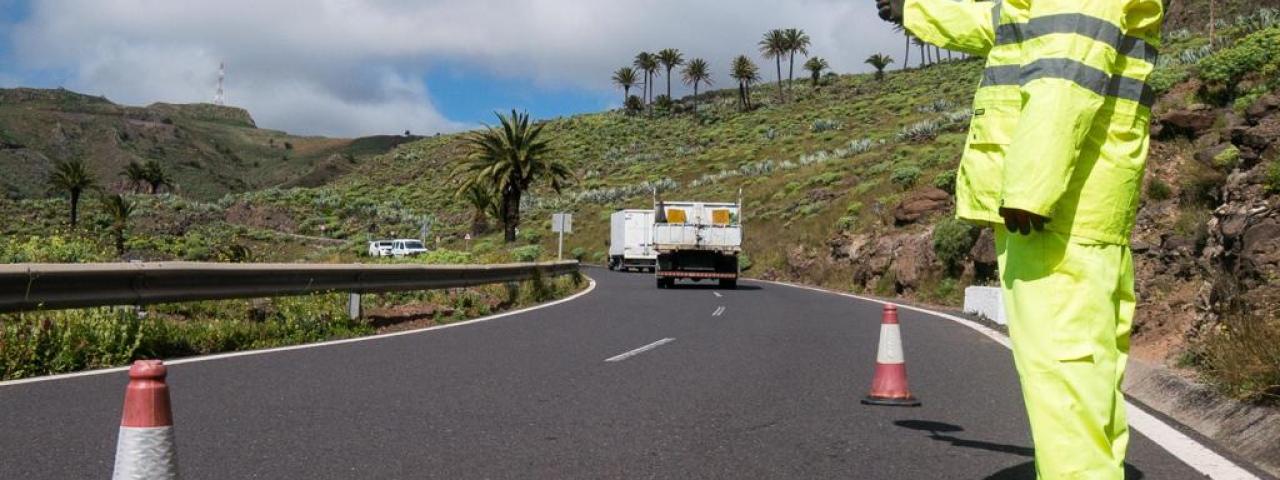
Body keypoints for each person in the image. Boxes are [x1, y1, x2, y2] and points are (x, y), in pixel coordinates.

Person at [875, 0, 1164, 477]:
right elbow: (1002, 25)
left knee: (1063, 378)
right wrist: (915, 10)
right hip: (1084, 207)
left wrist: (1033, 186)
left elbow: (1065, 73)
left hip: (1058, 210)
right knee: (1087, 375)